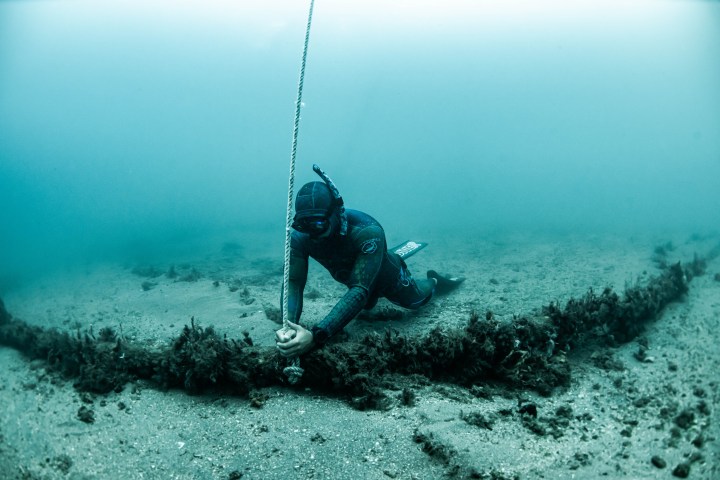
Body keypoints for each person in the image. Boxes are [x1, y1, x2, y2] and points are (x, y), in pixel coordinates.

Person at [275, 165, 462, 358]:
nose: (312, 233)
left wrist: (316, 335)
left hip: (385, 279)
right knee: (366, 301)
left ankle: (433, 280)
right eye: (304, 225)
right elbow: (293, 281)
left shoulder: (367, 232)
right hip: (357, 277)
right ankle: (378, 257)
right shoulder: (299, 237)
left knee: (416, 301)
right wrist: (288, 325)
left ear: (334, 213)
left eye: (318, 224)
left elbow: (359, 290)